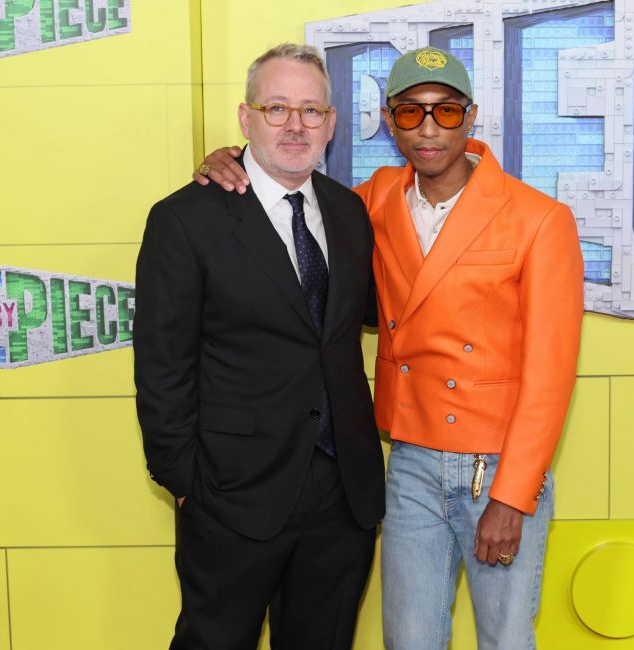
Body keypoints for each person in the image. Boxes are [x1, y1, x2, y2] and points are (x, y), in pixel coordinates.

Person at [195, 46, 582, 649]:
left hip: (496, 466)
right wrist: (229, 162)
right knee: (408, 641)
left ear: (471, 115)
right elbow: (286, 195)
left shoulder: (538, 219)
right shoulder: (366, 202)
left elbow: (552, 373)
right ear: (390, 119)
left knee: (506, 640)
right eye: (410, 113)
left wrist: (514, 495)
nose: (428, 129)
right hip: (408, 464)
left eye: (446, 112)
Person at [134, 43, 383, 650]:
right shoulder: (186, 219)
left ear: (331, 122)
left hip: (342, 494)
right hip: (231, 493)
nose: (295, 125)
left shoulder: (351, 212)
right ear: (246, 120)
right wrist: (187, 480)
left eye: (311, 110)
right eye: (276, 108)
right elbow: (163, 365)